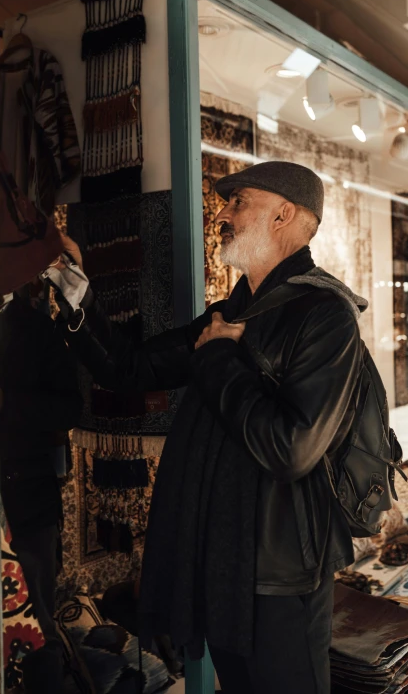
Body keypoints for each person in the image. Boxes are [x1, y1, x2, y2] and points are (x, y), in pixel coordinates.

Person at [47, 161, 367, 694]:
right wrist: (75, 289)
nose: (222, 212)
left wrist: (218, 358)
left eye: (239, 201)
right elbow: (128, 368)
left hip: (279, 576)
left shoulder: (325, 315)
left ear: (283, 214)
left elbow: (290, 448)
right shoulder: (232, 312)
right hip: (223, 561)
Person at [0, 281, 82, 694]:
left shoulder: (33, 328)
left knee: (38, 630)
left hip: (25, 498)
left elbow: (70, 406)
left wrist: (4, 404)